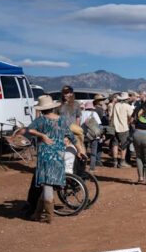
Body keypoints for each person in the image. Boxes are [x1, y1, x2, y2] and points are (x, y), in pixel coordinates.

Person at [18, 95, 78, 224]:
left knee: (47, 184)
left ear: (41, 109)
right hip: (59, 154)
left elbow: (30, 130)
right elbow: (72, 136)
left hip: (45, 154)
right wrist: (80, 150)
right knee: (49, 183)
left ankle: (50, 216)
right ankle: (37, 214)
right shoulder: (61, 120)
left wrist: (42, 135)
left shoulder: (40, 120)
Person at [110, 92, 133, 168]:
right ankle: (122, 162)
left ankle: (114, 161)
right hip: (124, 128)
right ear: (126, 99)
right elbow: (131, 117)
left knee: (115, 144)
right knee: (124, 145)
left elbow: (112, 116)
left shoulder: (115, 105)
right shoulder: (127, 106)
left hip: (114, 127)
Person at [80, 102, 102, 171]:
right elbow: (99, 124)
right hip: (93, 135)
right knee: (93, 152)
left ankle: (82, 167)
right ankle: (92, 168)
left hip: (83, 134)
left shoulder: (81, 113)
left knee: (83, 151)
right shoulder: (94, 114)